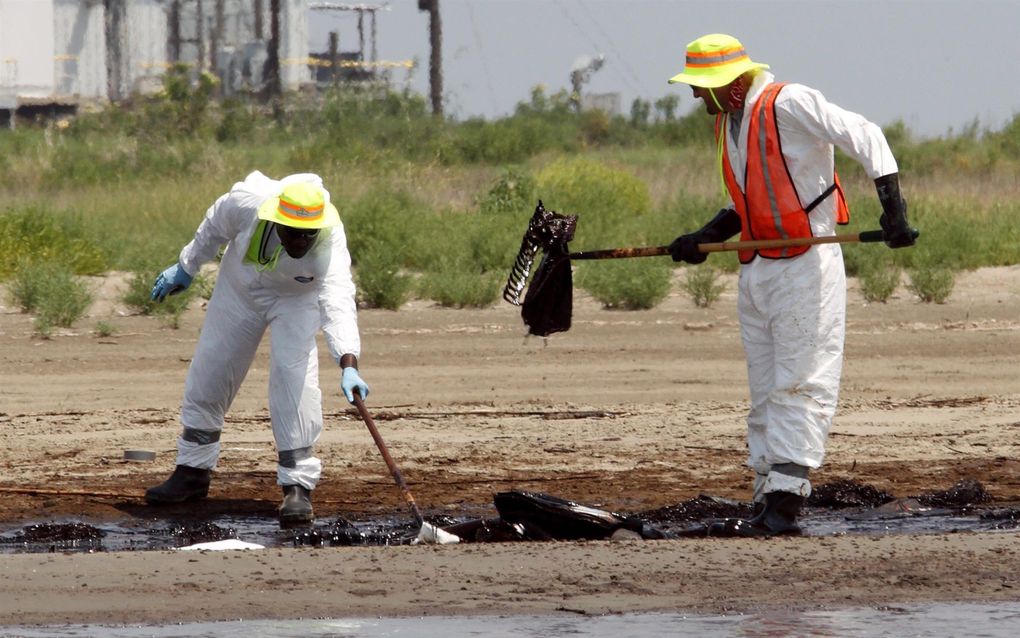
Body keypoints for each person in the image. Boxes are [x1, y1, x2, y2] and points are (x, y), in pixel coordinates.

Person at [666, 34, 915, 537]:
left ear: (734, 85)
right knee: (764, 392)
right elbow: (747, 201)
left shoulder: (790, 101)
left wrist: (894, 212)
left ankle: (785, 502)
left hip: (807, 264)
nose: (696, 96)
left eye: (703, 86)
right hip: (756, 270)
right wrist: (703, 237)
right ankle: (765, 492)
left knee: (801, 382)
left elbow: (866, 135)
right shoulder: (728, 124)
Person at [145, 171, 369, 527]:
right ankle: (192, 472)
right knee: (212, 369)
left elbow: (338, 300)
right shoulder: (247, 202)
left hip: (298, 300)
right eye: (291, 232)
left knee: (294, 379)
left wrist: (348, 363)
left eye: (306, 234)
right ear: (276, 221)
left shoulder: (330, 241)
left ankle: (297, 487)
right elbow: (214, 226)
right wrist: (187, 265)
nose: (299, 240)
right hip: (241, 289)